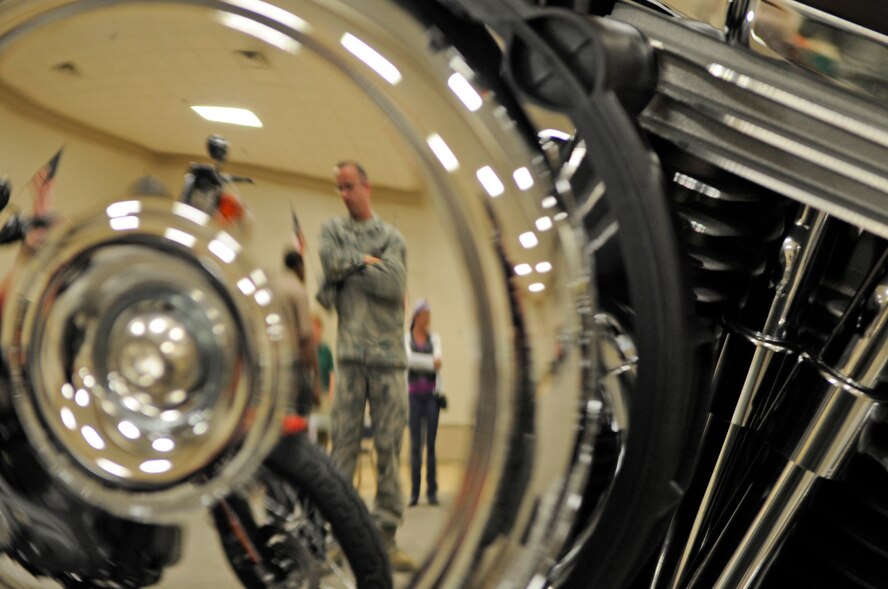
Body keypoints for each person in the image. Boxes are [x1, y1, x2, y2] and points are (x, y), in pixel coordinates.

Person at [316, 160, 414, 572]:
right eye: (338, 187)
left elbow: (393, 286)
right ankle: (341, 538)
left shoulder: (393, 237)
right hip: (352, 357)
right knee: (343, 450)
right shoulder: (331, 231)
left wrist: (349, 269)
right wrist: (368, 261)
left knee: (389, 449)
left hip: (389, 360)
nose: (344, 194)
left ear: (367, 187)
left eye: (349, 186)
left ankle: (386, 538)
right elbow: (328, 261)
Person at [405, 298, 442, 507]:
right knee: (415, 446)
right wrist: (429, 363)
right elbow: (409, 361)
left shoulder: (434, 338)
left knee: (431, 445)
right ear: (417, 316)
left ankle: (432, 492)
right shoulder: (407, 339)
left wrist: (424, 363)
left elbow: (439, 363)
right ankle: (415, 492)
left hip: (430, 398)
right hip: (413, 398)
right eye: (425, 314)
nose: (428, 318)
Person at [279, 249, 319, 416]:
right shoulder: (297, 291)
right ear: (300, 268)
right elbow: (306, 336)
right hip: (293, 366)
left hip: (271, 364)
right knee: (297, 418)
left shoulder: (271, 286)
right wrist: (316, 379)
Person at [309, 313, 335, 448]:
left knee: (323, 428)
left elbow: (332, 373)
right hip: (309, 396)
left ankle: (323, 449)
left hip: (323, 395)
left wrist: (331, 393)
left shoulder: (326, 350)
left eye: (317, 329)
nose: (315, 332)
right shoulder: (306, 349)